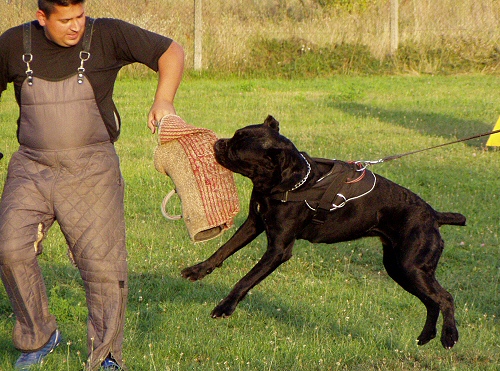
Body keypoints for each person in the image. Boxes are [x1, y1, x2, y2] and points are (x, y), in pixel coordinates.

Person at [0, 0, 184, 369]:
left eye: (80, 16)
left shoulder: (108, 35)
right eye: (65, 20)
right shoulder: (14, 44)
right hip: (31, 166)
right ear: (42, 18)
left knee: (103, 268)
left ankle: (106, 356)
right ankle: (38, 336)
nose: (75, 26)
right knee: (9, 249)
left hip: (91, 170)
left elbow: (171, 51)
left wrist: (163, 100)